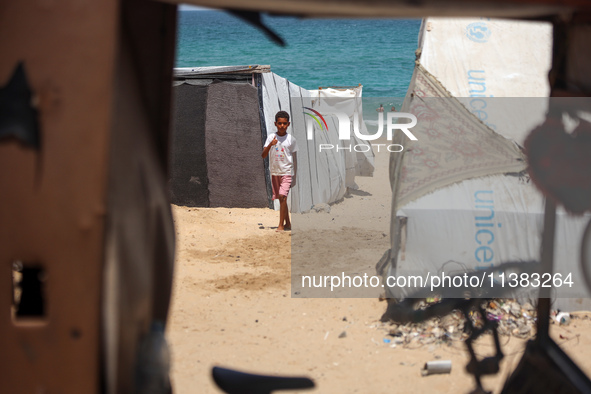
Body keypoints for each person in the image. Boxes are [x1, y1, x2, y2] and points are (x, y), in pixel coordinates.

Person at [262, 111, 298, 232]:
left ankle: (281, 225)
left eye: (284, 123)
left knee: (282, 196)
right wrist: (270, 145)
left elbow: (295, 159)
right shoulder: (271, 137)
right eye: (279, 123)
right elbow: (263, 155)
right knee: (281, 199)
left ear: (288, 124)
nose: (282, 126)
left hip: (287, 172)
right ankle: (288, 223)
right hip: (275, 172)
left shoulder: (291, 140)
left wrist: (295, 176)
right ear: (275, 124)